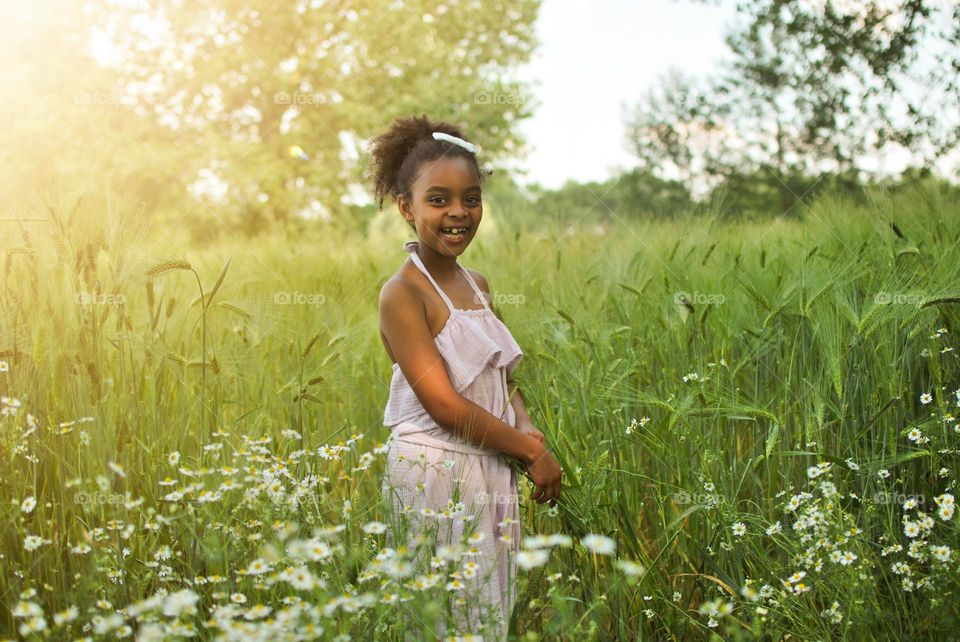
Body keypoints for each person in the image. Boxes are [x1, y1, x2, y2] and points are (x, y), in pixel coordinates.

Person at [369, 114, 563, 640]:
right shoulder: (403, 295)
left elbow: (502, 373)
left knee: (486, 612)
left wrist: (523, 424)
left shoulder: (477, 284)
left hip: (489, 466)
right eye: (438, 199)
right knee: (440, 616)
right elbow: (445, 406)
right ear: (407, 208)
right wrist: (531, 453)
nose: (458, 212)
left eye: (470, 198)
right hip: (436, 471)